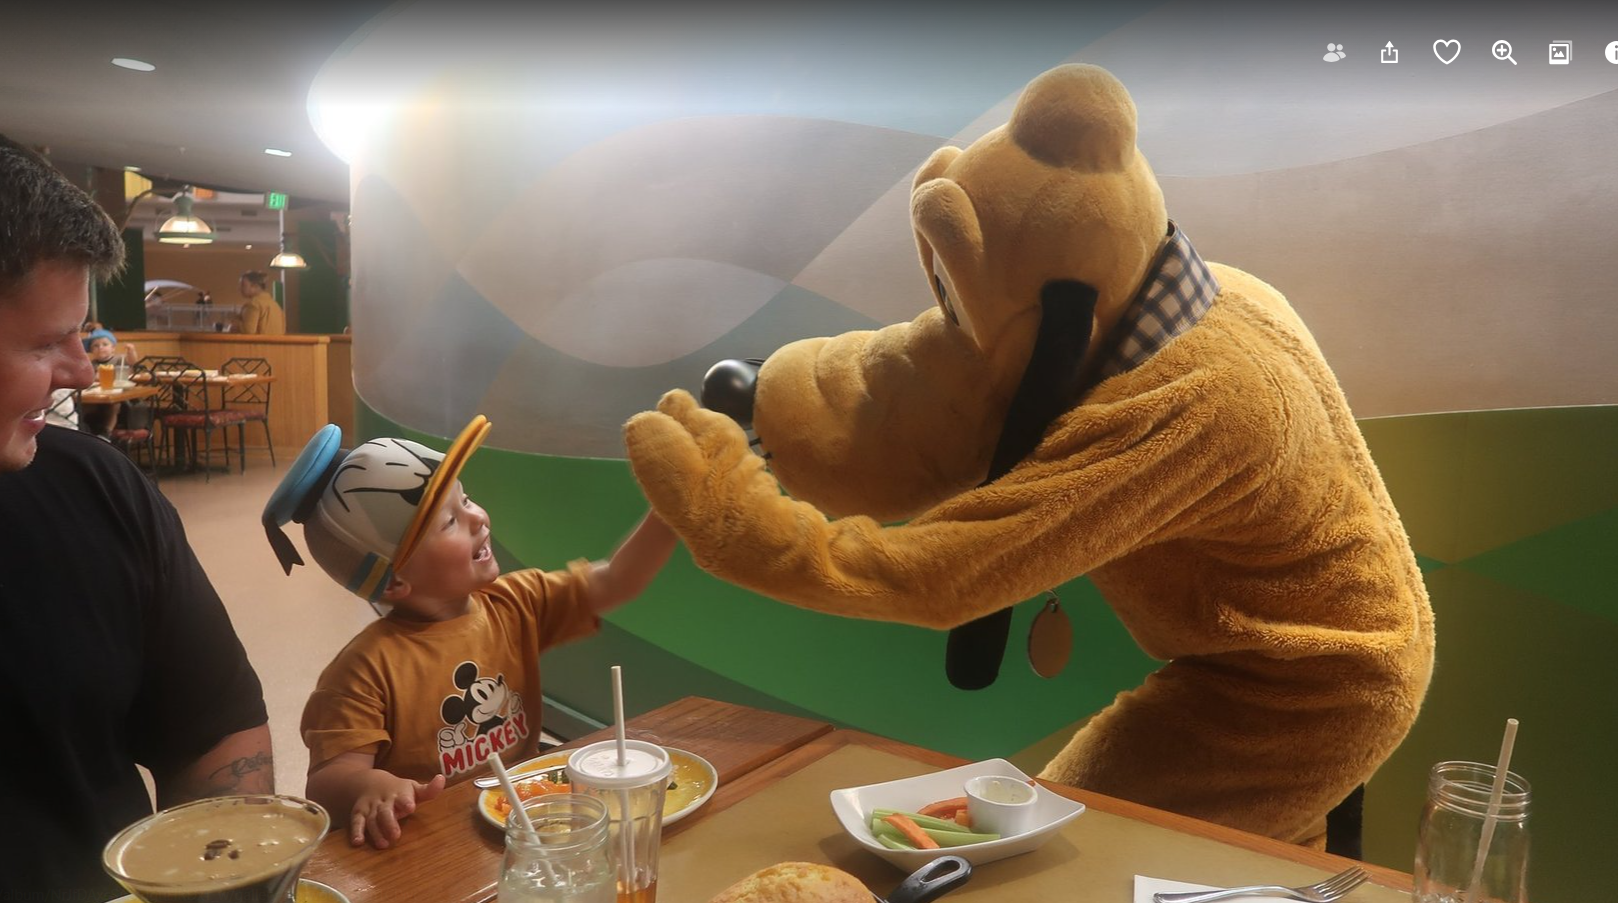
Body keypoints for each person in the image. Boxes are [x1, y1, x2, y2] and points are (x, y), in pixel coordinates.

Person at [0, 133, 275, 903]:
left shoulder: (101, 488)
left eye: (81, 334)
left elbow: (214, 727)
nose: (83, 371)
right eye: (47, 342)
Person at [263, 417, 677, 850]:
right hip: (433, 848)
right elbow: (326, 782)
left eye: (466, 499)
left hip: (528, 824)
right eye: (449, 522)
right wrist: (367, 785)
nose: (478, 517)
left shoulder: (515, 601)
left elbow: (615, 582)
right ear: (395, 581)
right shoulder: (361, 673)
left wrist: (670, 510)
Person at [237, 269, 287, 335]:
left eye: (243, 285)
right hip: (277, 341)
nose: (240, 288)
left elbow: (249, 331)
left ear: (254, 286)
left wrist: (237, 324)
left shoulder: (254, 304)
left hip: (259, 342)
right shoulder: (276, 305)